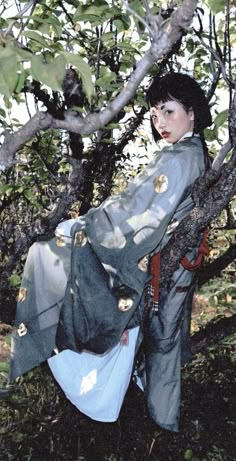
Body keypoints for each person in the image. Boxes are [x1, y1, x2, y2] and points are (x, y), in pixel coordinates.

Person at [10, 72, 212, 432]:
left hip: (163, 262)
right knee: (161, 348)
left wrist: (86, 226)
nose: (159, 122)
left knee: (53, 253)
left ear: (192, 112)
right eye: (154, 115)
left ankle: (162, 430)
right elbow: (138, 203)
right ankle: (157, 424)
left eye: (168, 111)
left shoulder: (182, 158)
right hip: (170, 264)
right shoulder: (187, 152)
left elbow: (139, 215)